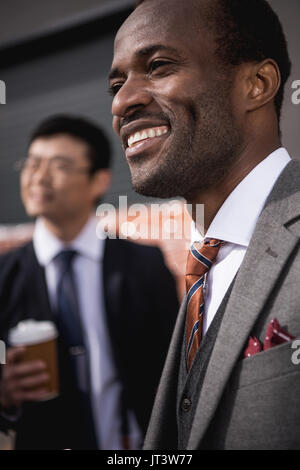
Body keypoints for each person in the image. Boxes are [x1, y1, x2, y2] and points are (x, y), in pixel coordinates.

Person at [109, 0, 300, 450]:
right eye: (116, 84)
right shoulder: (204, 262)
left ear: (257, 84)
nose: (122, 101)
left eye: (157, 66)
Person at [0, 114, 179, 449]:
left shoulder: (143, 265)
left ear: (99, 181)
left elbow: (176, 367)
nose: (38, 177)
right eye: (32, 163)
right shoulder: (4, 276)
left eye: (59, 166)